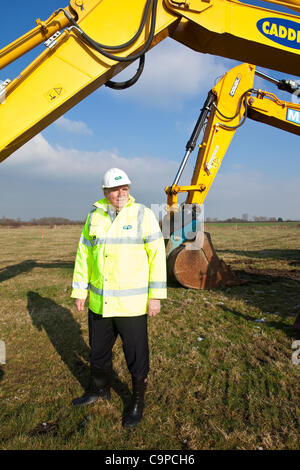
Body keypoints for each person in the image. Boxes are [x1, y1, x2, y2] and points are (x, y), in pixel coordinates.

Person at [71, 168, 167, 428]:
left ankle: (136, 402)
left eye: (125, 188)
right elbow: (84, 256)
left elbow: (157, 256)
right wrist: (80, 292)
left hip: (131, 304)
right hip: (100, 302)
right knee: (99, 352)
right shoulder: (94, 216)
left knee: (136, 354)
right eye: (115, 189)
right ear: (105, 192)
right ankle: (98, 390)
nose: (121, 193)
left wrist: (155, 296)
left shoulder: (143, 215)